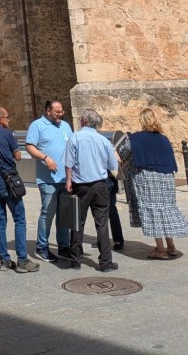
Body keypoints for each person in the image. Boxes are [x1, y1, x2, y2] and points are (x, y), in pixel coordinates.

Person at [116, 107, 188, 260]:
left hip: (147, 178)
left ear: (142, 121)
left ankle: (160, 250)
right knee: (165, 208)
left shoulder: (136, 138)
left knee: (153, 209)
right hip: (166, 178)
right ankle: (171, 246)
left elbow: (123, 153)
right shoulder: (163, 139)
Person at [0, 107, 39, 273]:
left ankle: (4, 260)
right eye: (7, 117)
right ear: (1, 119)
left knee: (0, 221)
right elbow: (18, 156)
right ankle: (22, 260)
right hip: (9, 180)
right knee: (19, 219)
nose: (9, 120)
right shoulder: (7, 134)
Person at [64, 109, 119, 272]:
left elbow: (69, 162)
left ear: (83, 121)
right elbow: (113, 165)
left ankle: (75, 260)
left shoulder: (75, 137)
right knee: (102, 223)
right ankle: (105, 262)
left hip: (80, 186)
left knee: (77, 222)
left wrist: (68, 180)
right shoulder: (104, 141)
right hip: (100, 185)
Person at [25, 98, 73, 261]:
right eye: (57, 111)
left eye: (62, 111)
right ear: (48, 111)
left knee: (64, 215)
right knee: (48, 213)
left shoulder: (66, 126)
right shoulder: (37, 125)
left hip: (65, 179)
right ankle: (41, 247)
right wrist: (45, 158)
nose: (61, 114)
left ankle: (64, 247)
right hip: (48, 180)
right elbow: (30, 146)